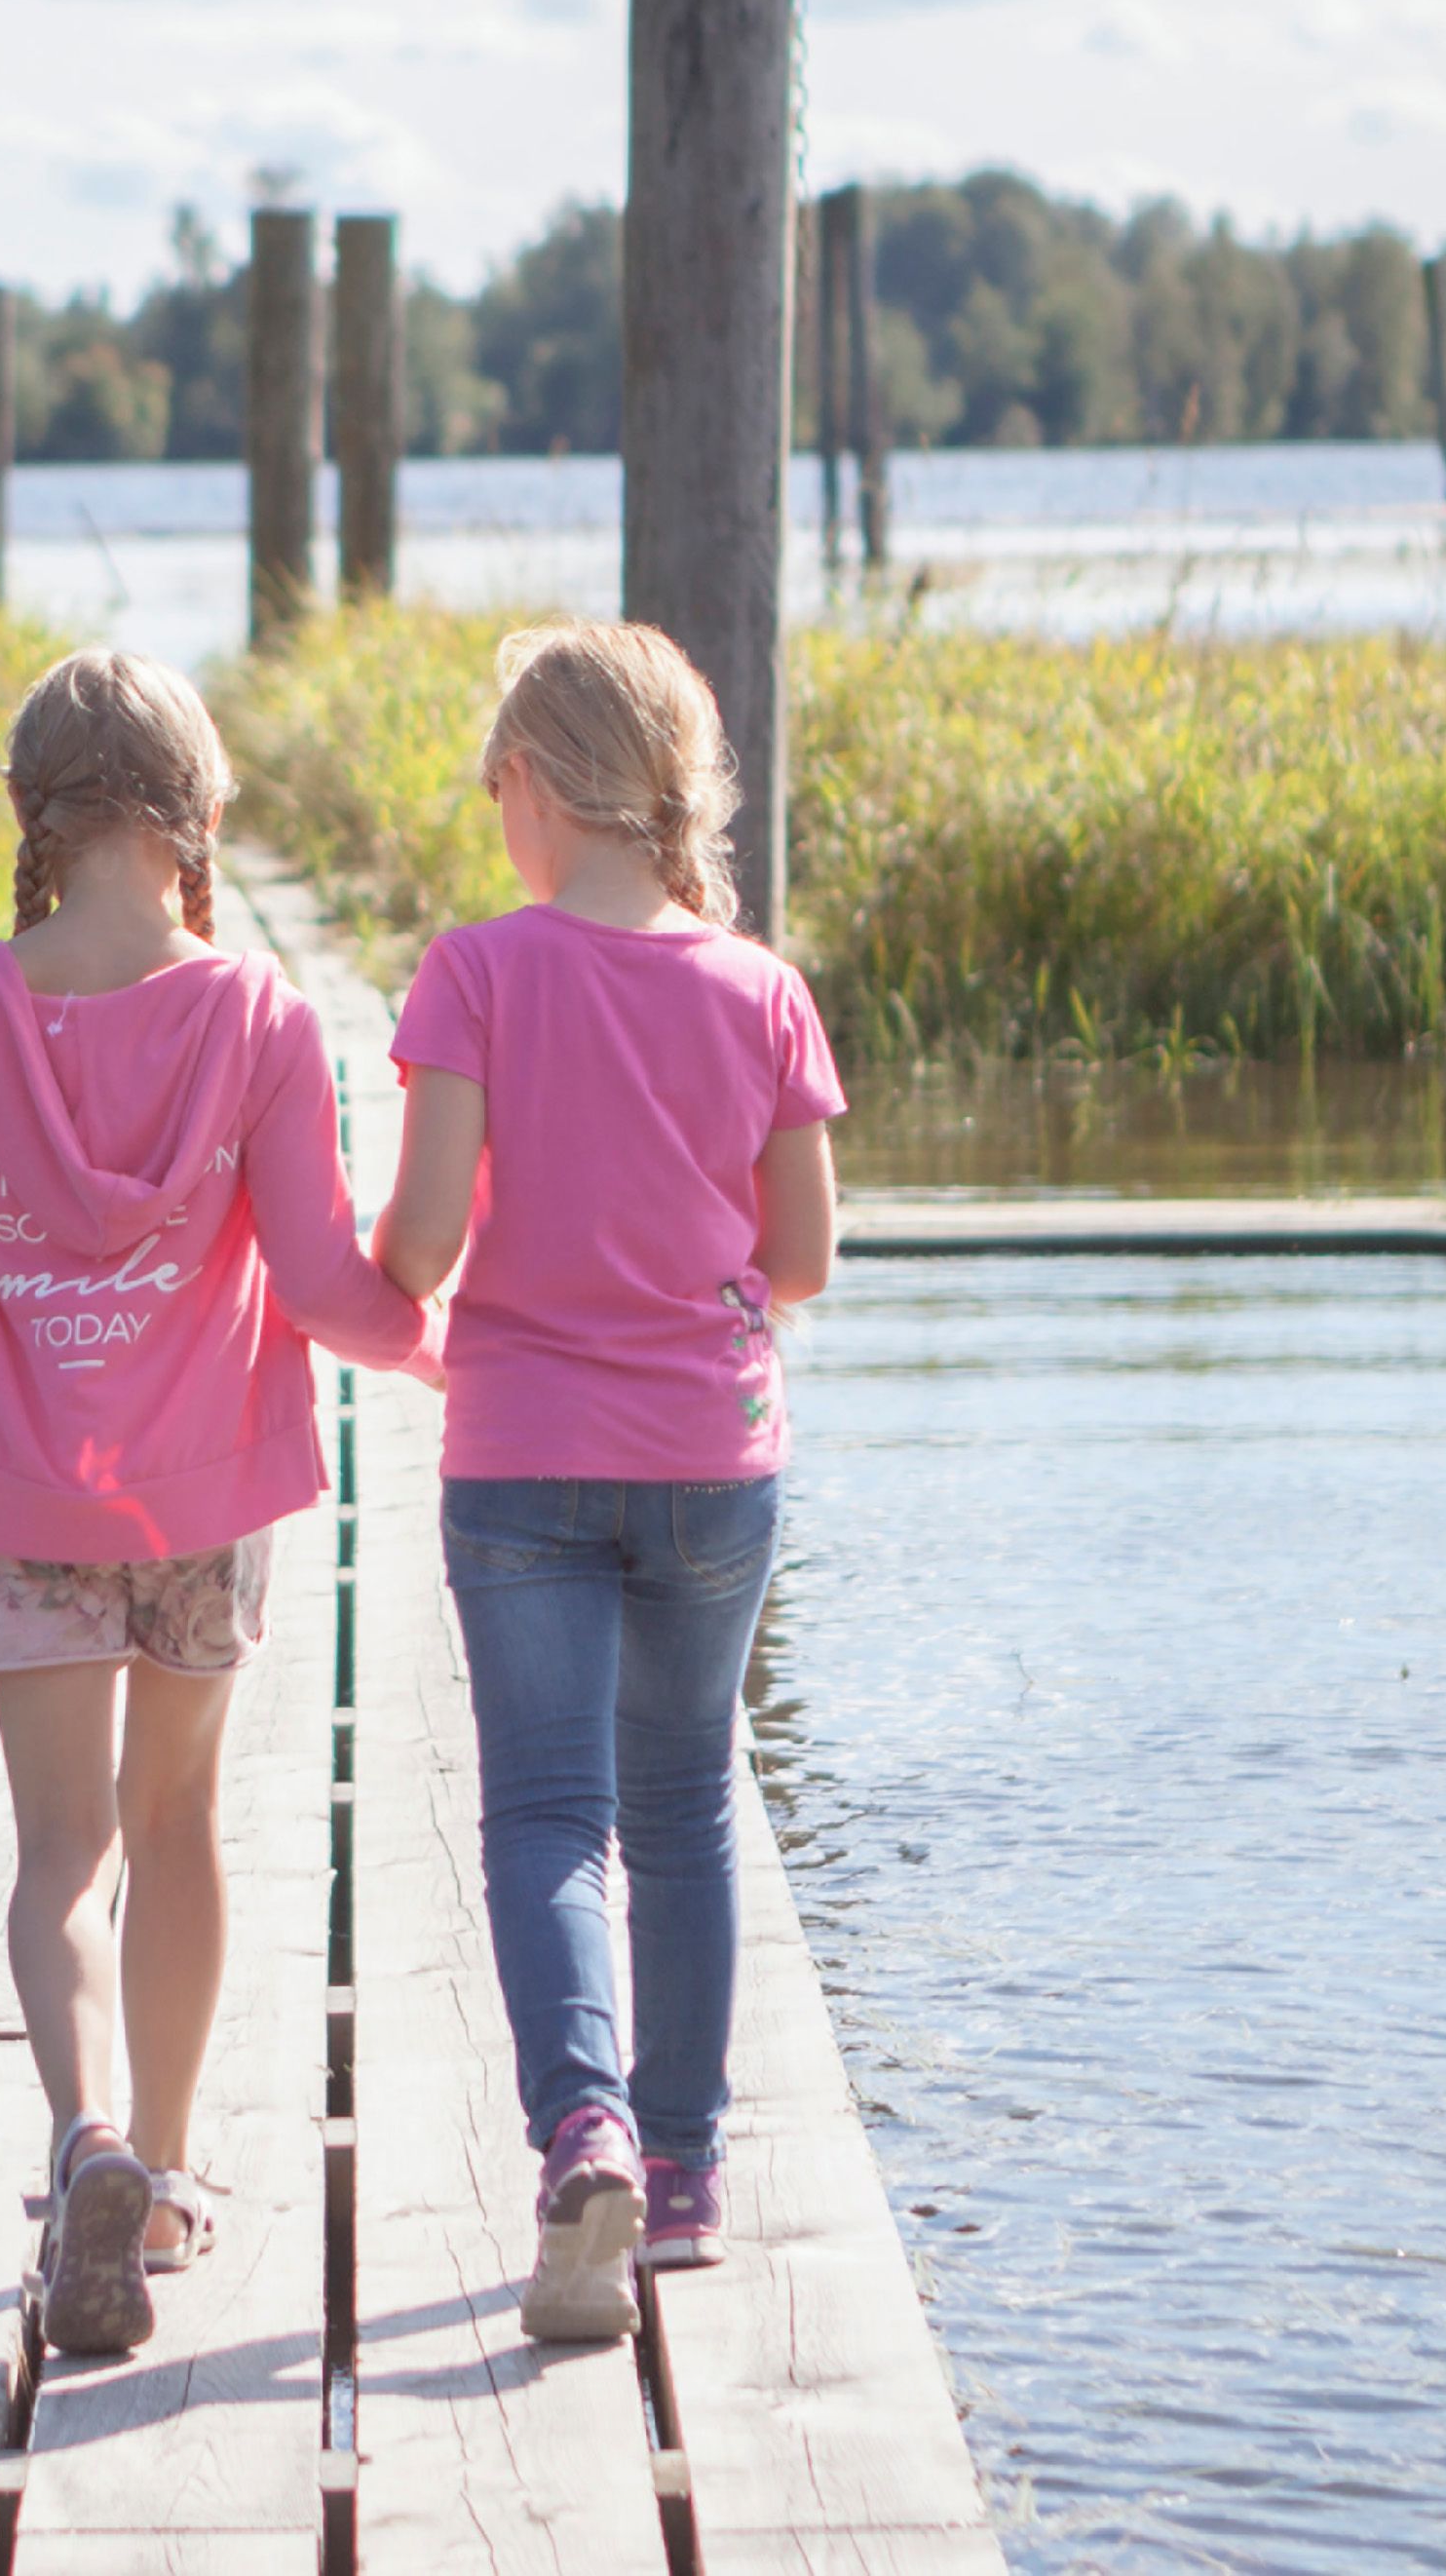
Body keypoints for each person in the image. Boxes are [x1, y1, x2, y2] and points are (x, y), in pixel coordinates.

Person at [0, 647, 434, 2361]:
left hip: (20, 1499)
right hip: (207, 1497)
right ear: (201, 819)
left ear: (27, 819)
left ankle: (79, 2142)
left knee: (61, 1853)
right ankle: (156, 2167)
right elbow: (317, 1279)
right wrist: (449, 1350)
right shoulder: (260, 1021)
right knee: (176, 1831)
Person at [367, 621, 841, 2346]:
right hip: (712, 1462)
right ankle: (693, 2179)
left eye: (494, 785)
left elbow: (420, 1244)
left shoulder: (475, 976)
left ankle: (586, 2132)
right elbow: (800, 1261)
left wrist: (377, 1277)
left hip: (520, 1461)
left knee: (549, 1817)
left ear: (535, 786)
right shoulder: (762, 988)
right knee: (689, 1808)